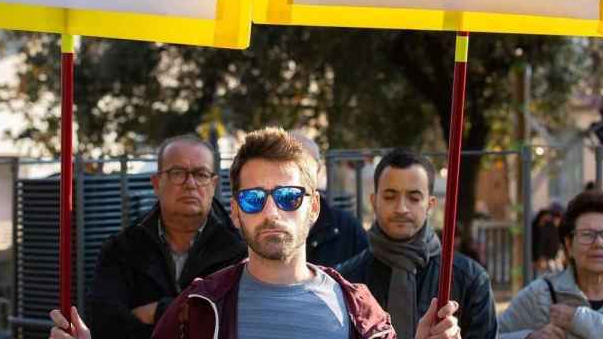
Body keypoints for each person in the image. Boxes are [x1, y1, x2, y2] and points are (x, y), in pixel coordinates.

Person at [49, 127, 460, 339]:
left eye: (287, 196)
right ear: (235, 211)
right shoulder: (196, 308)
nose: (270, 211)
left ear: (313, 206)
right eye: (252, 199)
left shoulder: (360, 310)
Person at [85, 134, 246, 339]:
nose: (190, 183)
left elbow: (236, 326)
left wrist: (159, 311)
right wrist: (189, 316)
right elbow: (105, 326)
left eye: (201, 174)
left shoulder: (239, 252)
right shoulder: (121, 250)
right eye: (177, 173)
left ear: (213, 185)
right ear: (156, 183)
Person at [339, 150, 497, 339]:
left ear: (430, 204)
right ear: (374, 201)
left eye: (414, 198)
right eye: (390, 196)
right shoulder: (345, 282)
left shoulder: (471, 280)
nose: (401, 208)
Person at [498, 190, 603, 339]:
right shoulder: (540, 294)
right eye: (587, 235)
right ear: (569, 245)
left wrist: (580, 320)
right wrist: (529, 337)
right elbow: (491, 333)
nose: (599, 243)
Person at [293, 131, 369, 267]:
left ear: (318, 170)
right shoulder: (261, 225)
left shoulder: (347, 228)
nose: (295, 175)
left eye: (304, 167)